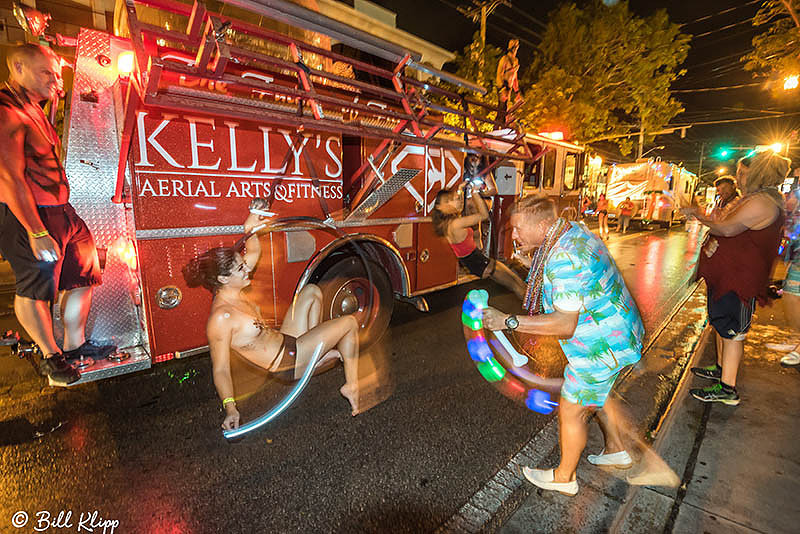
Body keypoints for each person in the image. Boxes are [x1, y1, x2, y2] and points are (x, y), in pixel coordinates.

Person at [482, 195, 644, 496]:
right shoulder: (572, 231)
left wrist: (506, 321)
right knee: (597, 395)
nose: (514, 235)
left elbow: (564, 323)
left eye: (518, 228)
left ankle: (564, 478)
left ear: (543, 225)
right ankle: (616, 449)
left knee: (571, 409)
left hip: (602, 345)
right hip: (620, 331)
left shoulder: (563, 259)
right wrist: (533, 263)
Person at [183, 199, 361, 430]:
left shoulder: (234, 288)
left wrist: (251, 222)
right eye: (240, 268)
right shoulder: (221, 319)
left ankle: (315, 354)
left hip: (289, 341)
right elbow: (221, 369)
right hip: (287, 363)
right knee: (349, 323)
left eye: (243, 264)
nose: (247, 269)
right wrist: (230, 407)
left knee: (311, 292)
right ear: (223, 279)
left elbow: (254, 250)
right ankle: (351, 386)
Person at [0, 43, 115, 385]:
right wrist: (36, 232)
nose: (54, 80)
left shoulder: (36, 109)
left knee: (85, 274)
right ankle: (52, 357)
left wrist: (57, 93)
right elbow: (8, 178)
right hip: (29, 215)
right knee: (35, 289)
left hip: (62, 212)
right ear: (18, 68)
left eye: (56, 74)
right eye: (46, 73)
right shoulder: (5, 111)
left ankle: (75, 346)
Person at [685, 151, 789, 405]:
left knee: (733, 332)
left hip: (740, 281)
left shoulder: (762, 202)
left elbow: (727, 228)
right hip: (728, 278)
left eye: (742, 173)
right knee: (722, 325)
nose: (738, 177)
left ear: (758, 173)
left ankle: (727, 388)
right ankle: (721, 369)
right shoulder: (755, 198)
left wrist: (698, 214)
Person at [432, 182, 526, 299]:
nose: (455, 201)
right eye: (449, 201)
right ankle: (532, 307)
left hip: (478, 261)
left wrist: (461, 189)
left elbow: (459, 205)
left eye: (453, 198)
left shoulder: (447, 223)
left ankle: (532, 304)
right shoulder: (455, 224)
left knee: (517, 282)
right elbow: (483, 215)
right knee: (517, 286)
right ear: (439, 207)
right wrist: (475, 193)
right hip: (479, 263)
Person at [495, 39, 522, 123]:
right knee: (501, 109)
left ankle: (502, 125)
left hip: (509, 88)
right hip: (503, 86)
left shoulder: (515, 61)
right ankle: (497, 127)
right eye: (514, 47)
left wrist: (517, 91)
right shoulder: (505, 59)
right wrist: (502, 88)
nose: (515, 49)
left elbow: (514, 77)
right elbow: (499, 74)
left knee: (505, 109)